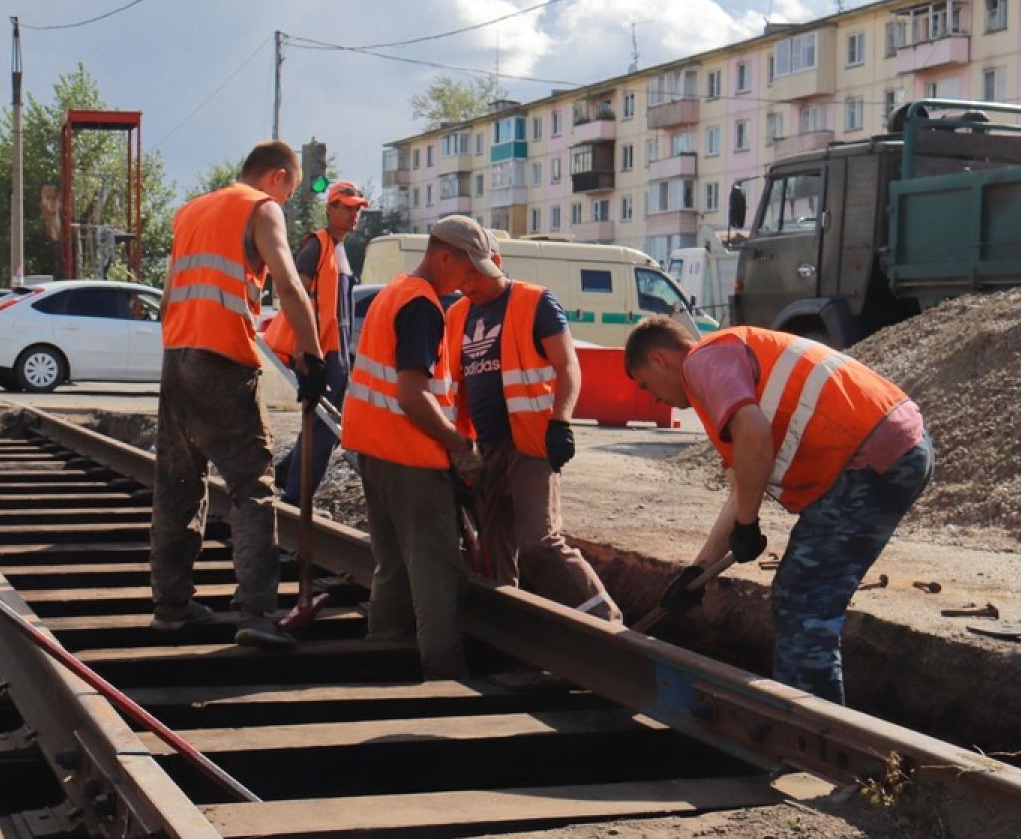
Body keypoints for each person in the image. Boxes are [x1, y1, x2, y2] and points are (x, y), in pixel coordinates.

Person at [624, 317, 933, 704]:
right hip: (890, 448)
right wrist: (698, 570)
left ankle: (814, 731)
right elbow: (743, 484)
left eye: (646, 384)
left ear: (659, 359)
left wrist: (748, 525)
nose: (653, 397)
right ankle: (814, 718)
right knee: (807, 596)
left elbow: (754, 434)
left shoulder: (703, 361)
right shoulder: (722, 369)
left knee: (804, 598)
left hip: (867, 459)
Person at [150, 140, 325, 650]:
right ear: (276, 177)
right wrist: (311, 358)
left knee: (178, 483)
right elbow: (290, 287)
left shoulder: (191, 211)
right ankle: (257, 614)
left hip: (177, 355)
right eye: (290, 189)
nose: (287, 202)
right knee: (252, 488)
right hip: (223, 360)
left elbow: (167, 298)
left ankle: (171, 605)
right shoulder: (260, 208)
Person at [340, 215, 493, 679]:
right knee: (437, 573)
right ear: (443, 255)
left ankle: (382, 651)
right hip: (411, 458)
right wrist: (460, 444)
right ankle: (443, 673)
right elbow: (412, 395)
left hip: (375, 451)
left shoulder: (394, 292)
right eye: (467, 270)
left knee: (392, 565)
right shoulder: (423, 307)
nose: (470, 282)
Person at [442, 254, 620, 620]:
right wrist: (459, 455)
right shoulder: (457, 314)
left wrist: (561, 422)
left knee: (539, 543)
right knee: (491, 550)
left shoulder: (535, 302)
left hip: (532, 443)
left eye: (475, 276)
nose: (468, 286)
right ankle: (508, 628)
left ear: (495, 261)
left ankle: (605, 620)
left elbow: (568, 364)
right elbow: (453, 389)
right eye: (463, 279)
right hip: (483, 448)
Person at [267, 179, 367, 504]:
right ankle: (297, 499)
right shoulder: (318, 246)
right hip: (319, 353)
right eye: (347, 208)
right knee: (323, 431)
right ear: (331, 208)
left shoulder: (339, 250)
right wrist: (303, 351)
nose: (354, 215)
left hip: (335, 353)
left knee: (322, 426)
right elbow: (296, 296)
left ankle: (285, 476)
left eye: (358, 210)